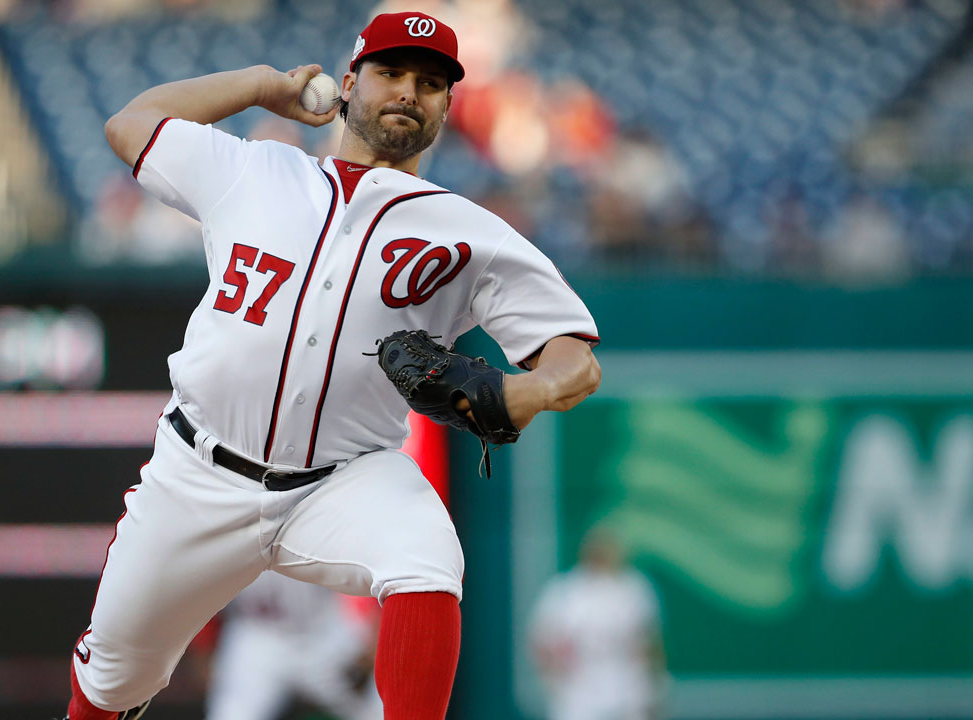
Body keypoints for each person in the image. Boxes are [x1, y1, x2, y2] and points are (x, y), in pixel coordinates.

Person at [68, 11, 601, 719]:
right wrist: (260, 87)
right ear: (349, 83)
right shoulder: (254, 170)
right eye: (391, 73)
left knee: (426, 554)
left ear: (447, 106)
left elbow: (575, 362)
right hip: (196, 474)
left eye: (431, 83)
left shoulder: (468, 232)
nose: (410, 91)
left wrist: (521, 392)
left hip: (343, 477)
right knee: (110, 681)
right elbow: (130, 123)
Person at [529, 527, 666, 720]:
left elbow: (650, 644)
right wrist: (553, 682)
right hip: (579, 689)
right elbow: (543, 645)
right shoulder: (564, 592)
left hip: (626, 684)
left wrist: (653, 687)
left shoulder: (635, 588)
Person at [204, 571, 381, 720]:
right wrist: (204, 647)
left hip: (322, 632)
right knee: (231, 715)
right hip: (258, 637)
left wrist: (368, 634)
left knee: (380, 709)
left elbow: (355, 571)